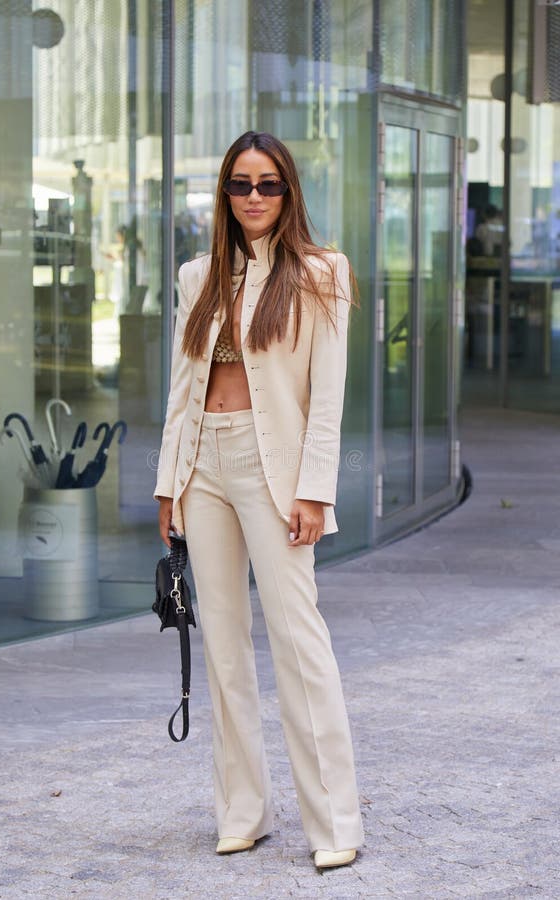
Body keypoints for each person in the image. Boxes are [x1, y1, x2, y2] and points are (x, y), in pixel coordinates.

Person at [154, 131, 364, 870]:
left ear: (288, 191)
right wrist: (167, 484)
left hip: (274, 471)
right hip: (202, 466)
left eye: (267, 184)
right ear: (224, 194)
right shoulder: (196, 277)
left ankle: (336, 824)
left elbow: (327, 399)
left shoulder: (320, 272)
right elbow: (184, 390)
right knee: (223, 644)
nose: (253, 198)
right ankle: (242, 810)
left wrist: (315, 490)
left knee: (299, 642)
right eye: (240, 185)